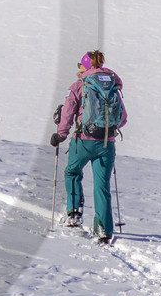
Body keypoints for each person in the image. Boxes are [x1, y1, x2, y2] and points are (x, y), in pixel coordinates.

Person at [49, 50, 127, 243]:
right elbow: (123, 118)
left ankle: (74, 214)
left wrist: (60, 135)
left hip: (82, 141)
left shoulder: (79, 86)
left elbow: (67, 114)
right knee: (102, 186)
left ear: (85, 66)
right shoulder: (112, 86)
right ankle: (103, 230)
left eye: (81, 65)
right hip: (107, 144)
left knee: (73, 172)